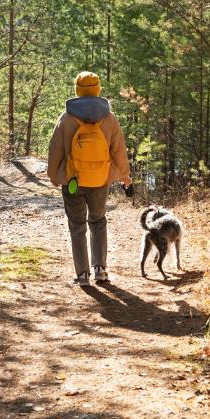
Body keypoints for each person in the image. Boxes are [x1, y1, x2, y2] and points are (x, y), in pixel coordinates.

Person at [47, 71, 132, 286]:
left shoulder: (66, 117)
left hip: (72, 179)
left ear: (77, 89)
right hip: (99, 179)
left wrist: (53, 174)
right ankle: (101, 269)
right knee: (98, 221)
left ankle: (82, 274)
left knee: (77, 225)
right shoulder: (109, 118)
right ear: (98, 89)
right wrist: (124, 175)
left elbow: (55, 148)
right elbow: (119, 149)